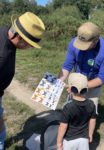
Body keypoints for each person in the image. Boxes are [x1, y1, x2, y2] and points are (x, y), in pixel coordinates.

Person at [0, 12, 45, 149]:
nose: (30, 47)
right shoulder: (2, 55)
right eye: (29, 44)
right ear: (19, 37)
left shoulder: (5, 32)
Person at [58, 22, 104, 114]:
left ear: (96, 40)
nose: (82, 47)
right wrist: (59, 81)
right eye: (80, 43)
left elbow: (102, 78)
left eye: (85, 45)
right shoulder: (73, 42)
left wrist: (81, 86)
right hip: (75, 82)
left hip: (93, 85)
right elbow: (68, 65)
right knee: (71, 111)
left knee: (89, 115)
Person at [57, 73, 96, 150]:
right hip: (84, 139)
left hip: (69, 140)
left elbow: (63, 126)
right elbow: (93, 120)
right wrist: (90, 134)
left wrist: (59, 142)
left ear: (71, 89)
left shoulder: (67, 107)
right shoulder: (91, 104)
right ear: (86, 89)